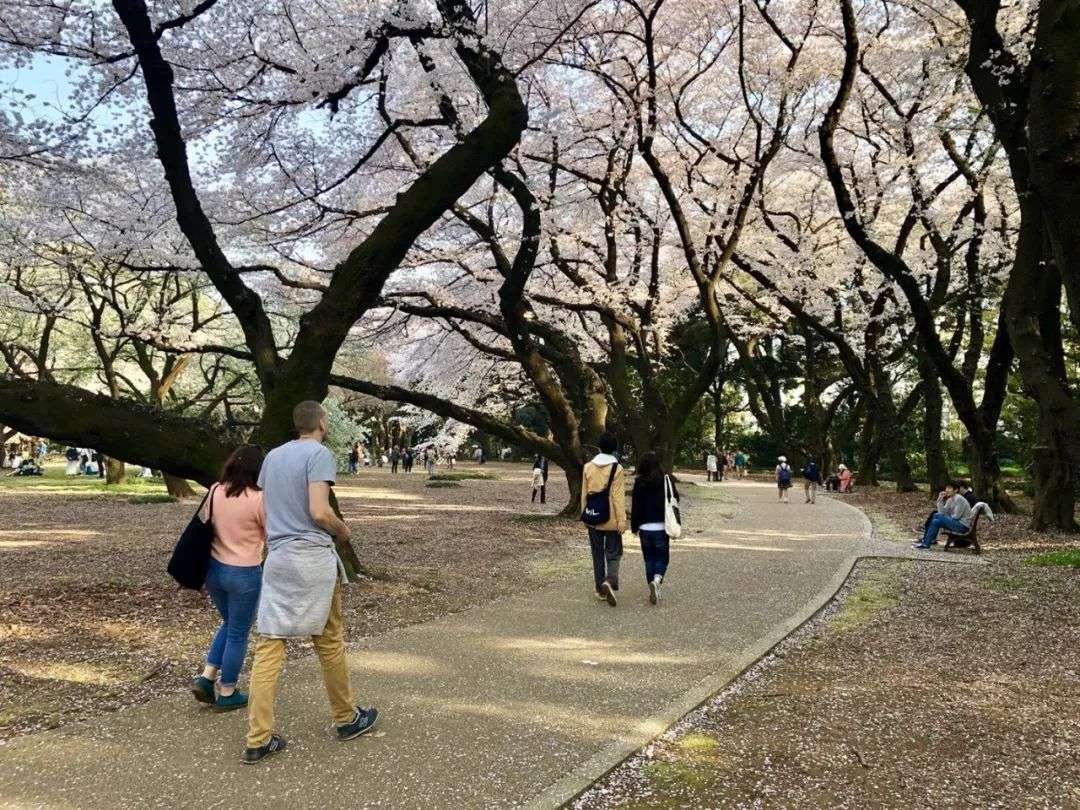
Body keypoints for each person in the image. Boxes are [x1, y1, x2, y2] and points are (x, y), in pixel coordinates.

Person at [243, 401, 378, 765]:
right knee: (329, 641)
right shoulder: (318, 454)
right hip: (311, 559)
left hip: (279, 557)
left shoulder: (272, 458)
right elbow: (319, 510)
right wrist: (342, 529)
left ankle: (258, 737)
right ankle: (346, 717)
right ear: (320, 422)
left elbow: (266, 506)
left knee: (270, 645)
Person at [191, 445, 267, 712]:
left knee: (229, 623)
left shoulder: (215, 490)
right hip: (244, 571)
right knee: (238, 632)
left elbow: (209, 522)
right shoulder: (259, 498)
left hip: (213, 568)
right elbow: (269, 530)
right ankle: (228, 690)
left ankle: (207, 676)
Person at [581, 433, 627, 607]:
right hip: (612, 518)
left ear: (599, 447)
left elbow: (584, 493)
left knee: (597, 553)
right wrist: (622, 521)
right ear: (613, 449)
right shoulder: (617, 468)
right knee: (614, 552)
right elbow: (618, 496)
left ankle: (600, 589)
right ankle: (610, 580)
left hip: (593, 516)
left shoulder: (587, 467)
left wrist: (584, 514)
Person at [631, 451, 678, 605]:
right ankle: (657, 580)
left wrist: (634, 526)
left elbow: (636, 506)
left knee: (648, 558)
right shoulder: (666, 479)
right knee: (662, 557)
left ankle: (652, 583)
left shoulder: (639, 482)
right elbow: (675, 498)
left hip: (644, 527)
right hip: (661, 526)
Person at [913, 480, 973, 550]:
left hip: (962, 526)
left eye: (949, 488)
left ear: (956, 490)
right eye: (946, 488)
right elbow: (942, 512)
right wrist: (940, 499)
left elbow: (956, 516)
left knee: (937, 515)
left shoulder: (959, 499)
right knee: (936, 521)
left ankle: (926, 540)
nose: (947, 490)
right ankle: (926, 544)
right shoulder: (950, 499)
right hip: (955, 523)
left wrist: (945, 517)